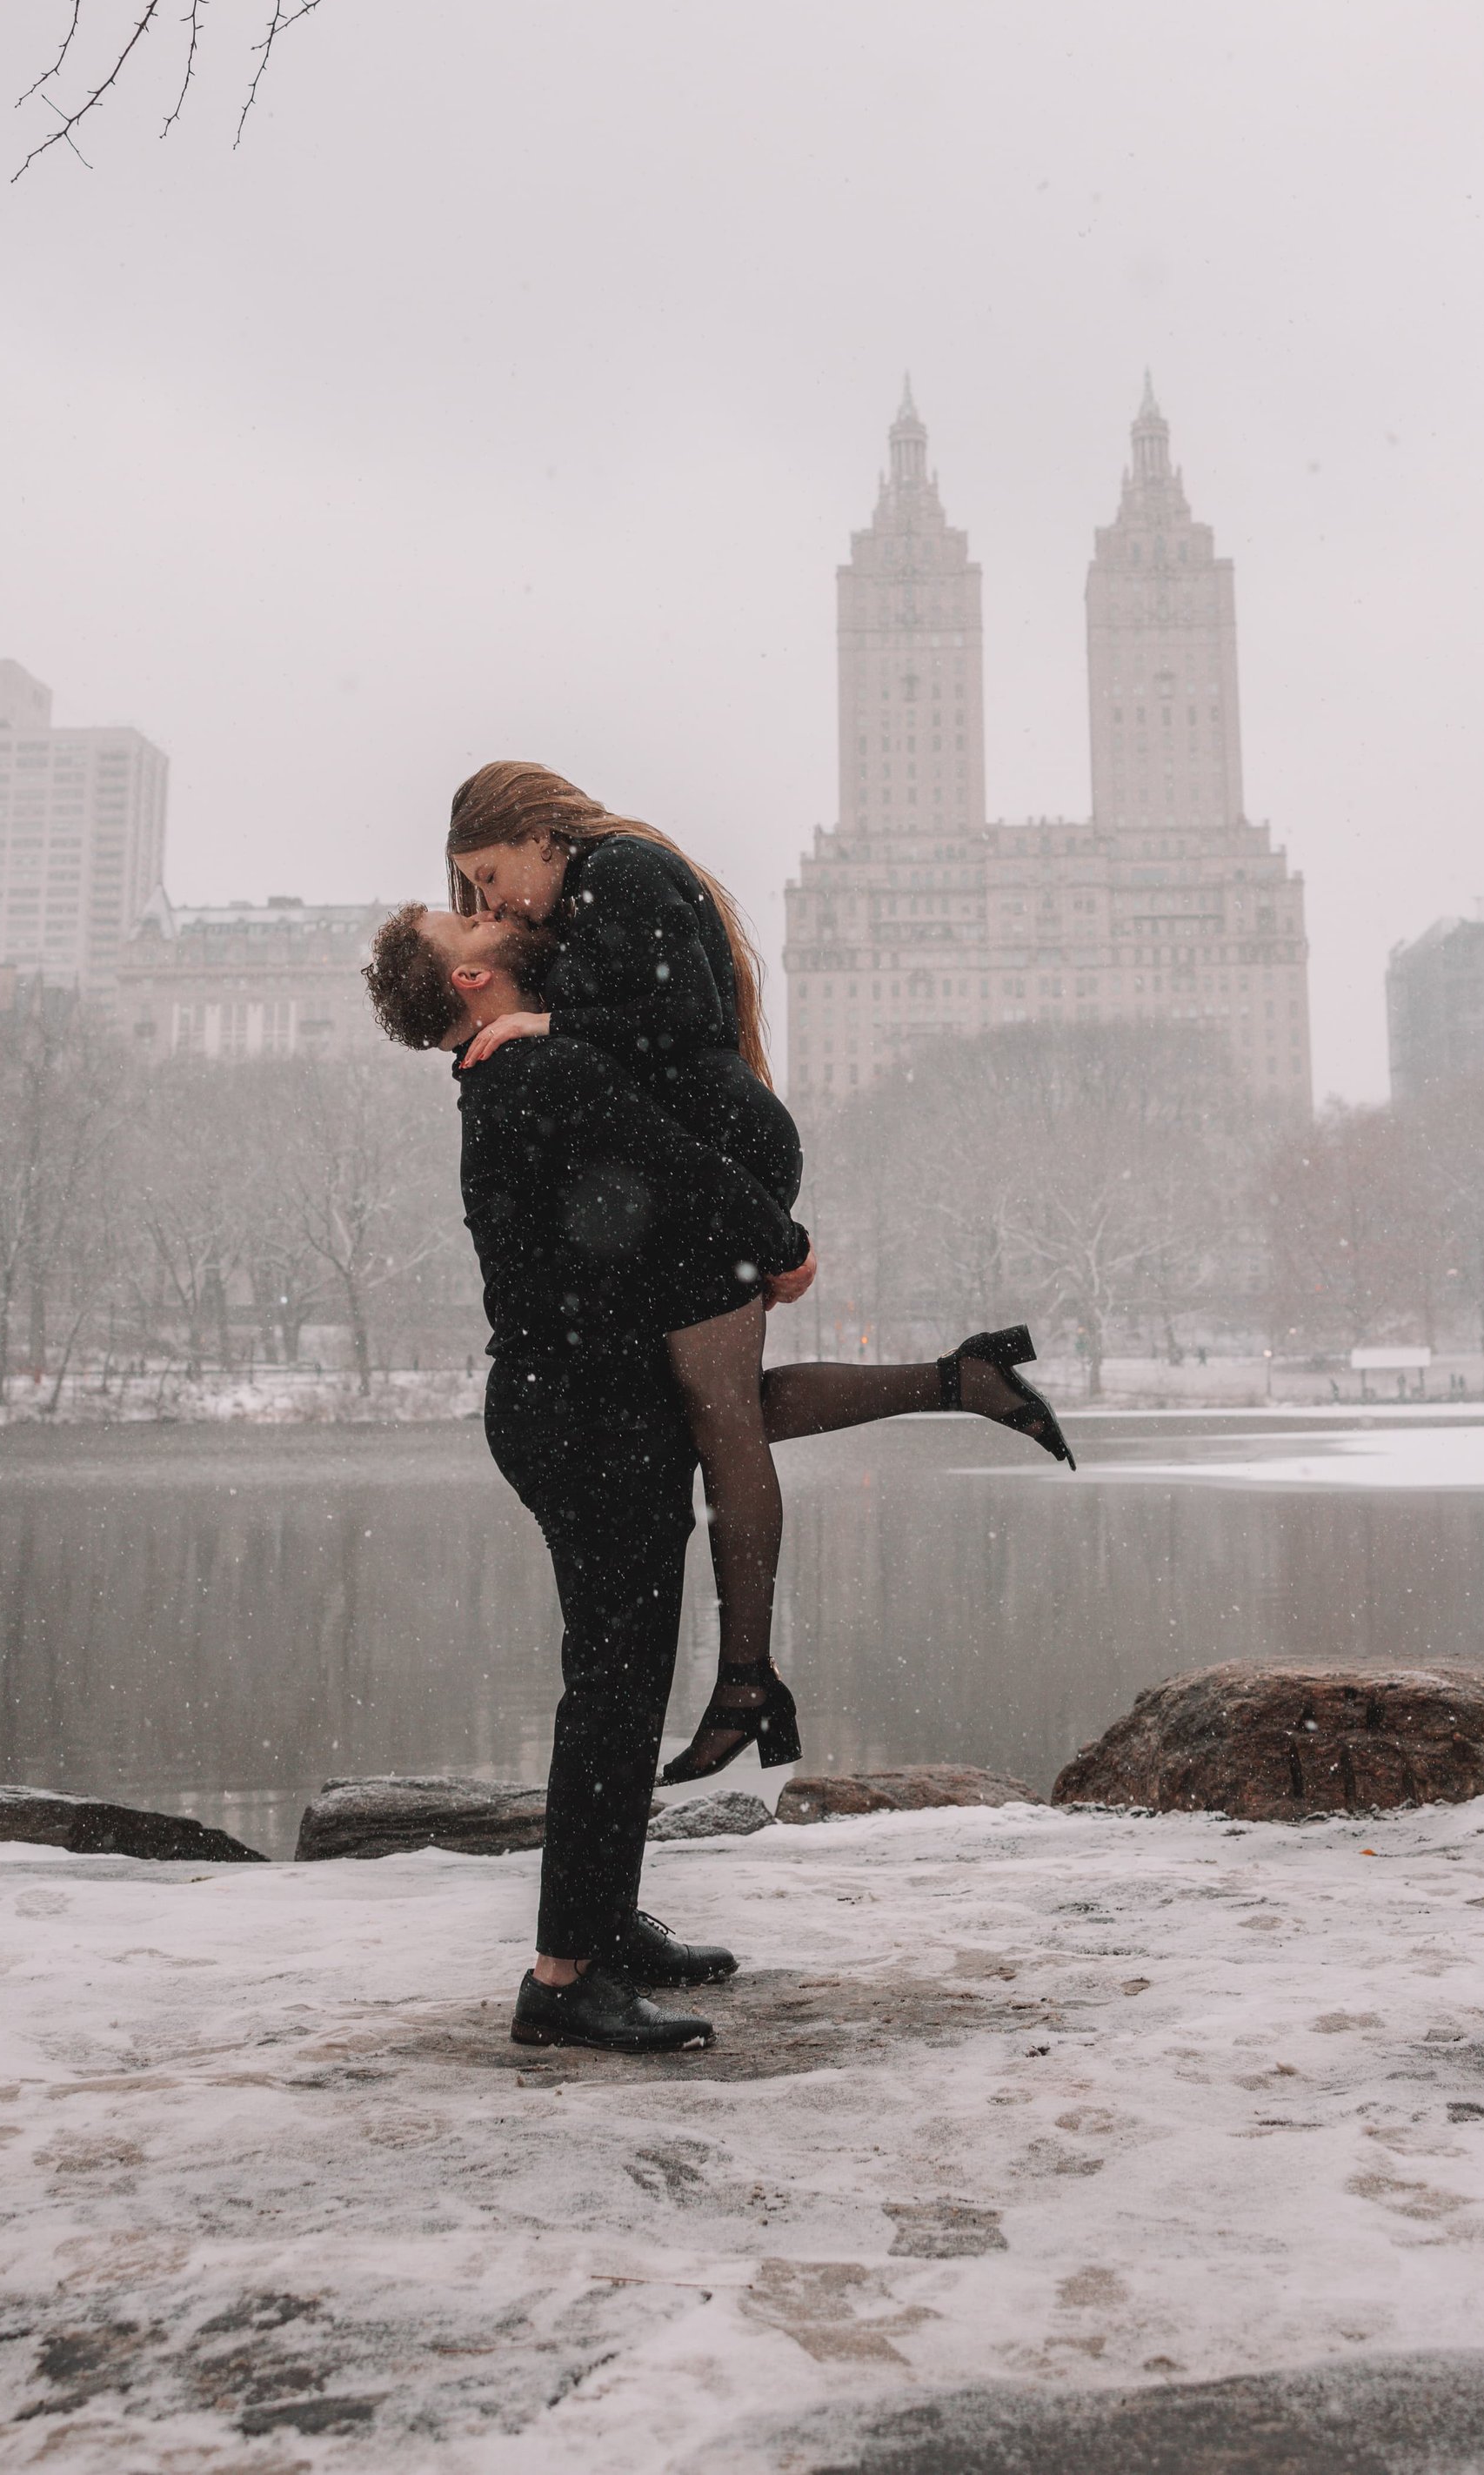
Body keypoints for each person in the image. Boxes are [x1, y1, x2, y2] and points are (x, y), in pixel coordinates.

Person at [365, 894, 1069, 2057]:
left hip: (579, 1402)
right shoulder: (542, 1074)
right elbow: (675, 1161)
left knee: (625, 1677)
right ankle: (563, 1979)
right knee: (613, 1684)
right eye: (465, 924)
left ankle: (604, 1923)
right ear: (471, 985)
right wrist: (782, 1244)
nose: (486, 914)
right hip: (582, 1412)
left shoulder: (517, 1067)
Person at [439, 760, 1072, 1779]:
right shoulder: (597, 885)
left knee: (719, 1415)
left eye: (489, 870)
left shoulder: (622, 870)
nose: (492, 899)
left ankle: (746, 1683)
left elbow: (680, 1021)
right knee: (703, 1406)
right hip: (699, 1161)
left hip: (719, 1156)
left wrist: (552, 1023)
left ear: (535, 833)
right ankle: (962, 1381)